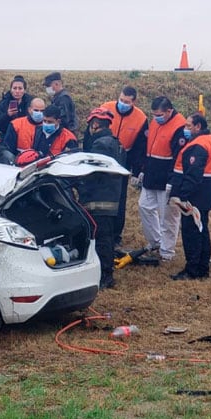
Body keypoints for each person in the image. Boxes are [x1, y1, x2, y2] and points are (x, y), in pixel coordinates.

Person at [86, 86, 148, 248]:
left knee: (119, 198)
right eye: (121, 100)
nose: (122, 104)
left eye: (127, 102)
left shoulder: (140, 118)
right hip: (101, 154)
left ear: (134, 102)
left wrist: (137, 169)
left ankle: (116, 234)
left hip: (123, 157)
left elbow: (140, 147)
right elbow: (90, 131)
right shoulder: (106, 107)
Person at [170, 114, 211, 280]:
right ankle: (202, 267)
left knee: (192, 232)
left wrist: (182, 195)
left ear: (198, 126)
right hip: (206, 194)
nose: (185, 129)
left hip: (194, 197)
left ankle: (192, 270)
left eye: (188, 126)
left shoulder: (197, 145)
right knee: (202, 230)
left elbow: (193, 174)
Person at [135, 96, 187, 261]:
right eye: (154, 114)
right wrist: (143, 169)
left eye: (159, 114)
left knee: (168, 217)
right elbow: (150, 147)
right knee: (144, 206)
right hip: (151, 173)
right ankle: (156, 242)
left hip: (167, 177)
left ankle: (167, 252)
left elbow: (179, 157)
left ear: (169, 111)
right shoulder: (156, 122)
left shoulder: (180, 127)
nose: (156, 117)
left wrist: (173, 181)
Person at [77, 108, 122, 289]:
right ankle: (106, 272)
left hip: (99, 198)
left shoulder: (100, 145)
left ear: (95, 124)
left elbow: (92, 173)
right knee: (107, 237)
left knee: (102, 238)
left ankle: (105, 276)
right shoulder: (115, 142)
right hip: (111, 195)